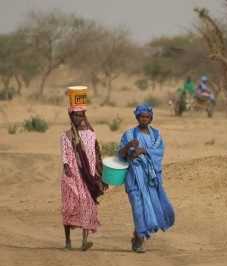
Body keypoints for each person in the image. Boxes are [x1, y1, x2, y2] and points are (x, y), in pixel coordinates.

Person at [116, 103, 175, 253]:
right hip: (134, 178)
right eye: (141, 116)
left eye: (147, 117)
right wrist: (128, 146)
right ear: (137, 117)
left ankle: (138, 234)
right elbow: (121, 154)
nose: (144, 119)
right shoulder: (128, 135)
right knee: (138, 207)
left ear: (151, 119)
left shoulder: (156, 135)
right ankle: (141, 240)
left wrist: (143, 150)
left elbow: (159, 152)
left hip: (151, 179)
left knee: (152, 207)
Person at [60, 87, 108, 251]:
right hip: (72, 174)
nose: (78, 118)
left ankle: (84, 241)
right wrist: (66, 166)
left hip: (87, 176)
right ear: (70, 116)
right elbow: (65, 154)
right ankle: (67, 241)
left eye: (81, 116)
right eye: (75, 115)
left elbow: (95, 155)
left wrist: (98, 174)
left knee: (88, 205)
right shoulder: (66, 135)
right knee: (70, 205)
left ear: (84, 116)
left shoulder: (90, 134)